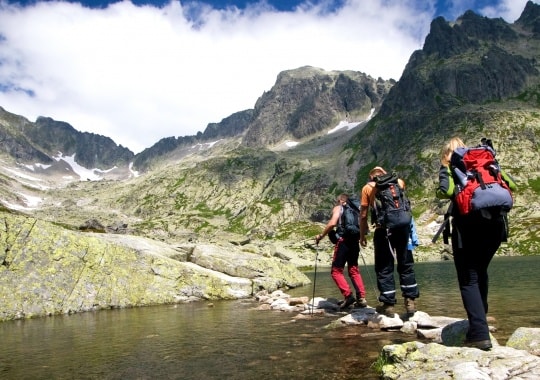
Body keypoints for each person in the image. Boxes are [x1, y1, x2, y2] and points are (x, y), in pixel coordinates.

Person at [436, 137, 517, 350]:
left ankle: (480, 335)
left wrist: (447, 174)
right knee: (480, 271)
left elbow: (445, 191)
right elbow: (511, 184)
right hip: (496, 225)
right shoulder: (485, 162)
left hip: (469, 226)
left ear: (447, 154)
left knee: (468, 278)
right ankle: (480, 319)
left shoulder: (453, 166)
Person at [360, 166, 419, 317]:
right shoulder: (399, 182)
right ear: (384, 174)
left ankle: (388, 304)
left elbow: (363, 214)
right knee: (405, 263)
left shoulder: (368, 188)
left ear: (371, 176)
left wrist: (362, 235)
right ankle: (410, 301)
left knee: (384, 266)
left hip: (383, 230)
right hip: (403, 228)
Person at [315, 193, 367, 309]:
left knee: (336, 271)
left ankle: (348, 296)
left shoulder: (339, 208)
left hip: (343, 242)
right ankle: (361, 298)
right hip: (354, 242)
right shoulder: (356, 209)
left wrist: (321, 236)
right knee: (354, 270)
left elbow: (332, 223)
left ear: (340, 200)